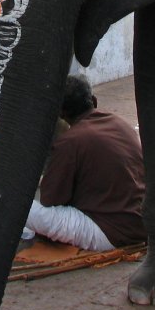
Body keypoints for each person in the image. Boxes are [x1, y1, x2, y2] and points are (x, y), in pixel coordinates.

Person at [23, 76, 146, 251]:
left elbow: (51, 199)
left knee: (22, 207)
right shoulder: (119, 123)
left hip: (110, 233)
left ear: (61, 114)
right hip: (143, 223)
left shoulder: (70, 141)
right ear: (94, 101)